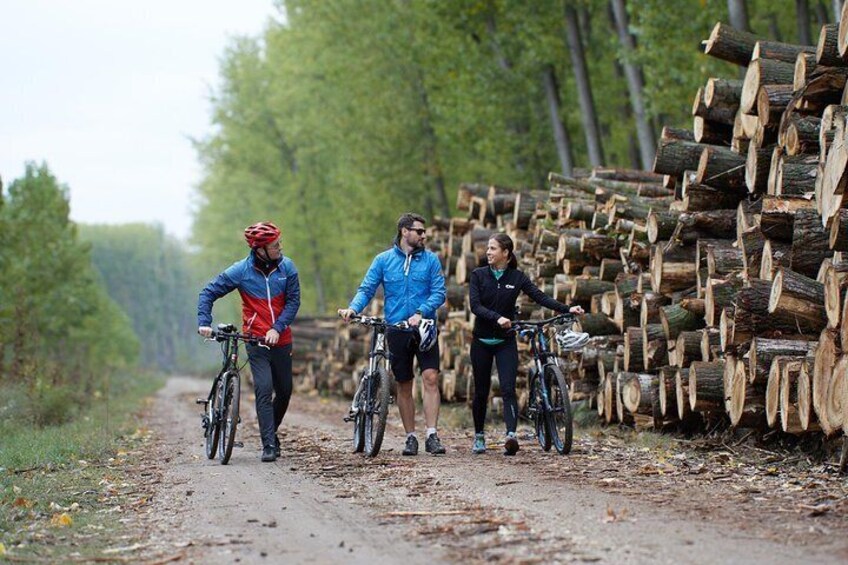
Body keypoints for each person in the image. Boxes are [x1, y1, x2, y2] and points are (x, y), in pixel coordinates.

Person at [338, 212, 447, 456]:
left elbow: (439, 293)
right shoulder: (383, 260)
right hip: (396, 329)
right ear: (404, 232)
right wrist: (353, 308)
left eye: (424, 231)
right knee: (404, 383)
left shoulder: (430, 261)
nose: (423, 235)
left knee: (430, 377)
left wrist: (422, 311)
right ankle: (410, 437)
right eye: (419, 231)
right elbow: (367, 288)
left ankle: (432, 435)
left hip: (424, 328)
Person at [468, 233, 586, 456]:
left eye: (493, 249)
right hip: (481, 342)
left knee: (507, 388)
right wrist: (497, 318)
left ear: (506, 253)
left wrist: (567, 308)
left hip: (506, 341)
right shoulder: (478, 275)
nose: (488, 252)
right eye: (488, 248)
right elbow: (475, 306)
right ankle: (479, 436)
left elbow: (540, 297)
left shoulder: (517, 277)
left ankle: (511, 436)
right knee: (481, 391)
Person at [197, 221, 300, 463]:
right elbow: (208, 292)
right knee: (264, 388)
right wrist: (204, 321)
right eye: (275, 245)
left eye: (279, 243)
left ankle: (270, 432)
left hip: (282, 339)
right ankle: (269, 445)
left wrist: (277, 327)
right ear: (260, 249)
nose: (280, 248)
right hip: (255, 341)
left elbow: (293, 302)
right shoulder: (240, 271)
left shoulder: (288, 268)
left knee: (284, 391)